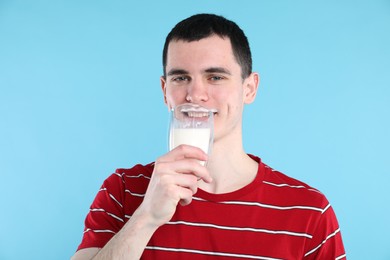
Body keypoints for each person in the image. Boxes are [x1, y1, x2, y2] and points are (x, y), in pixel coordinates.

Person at [72, 13, 346, 259]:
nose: (195, 95)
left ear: (249, 88)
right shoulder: (122, 191)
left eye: (215, 77)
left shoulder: (310, 212)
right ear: (165, 91)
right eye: (180, 78)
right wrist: (146, 218)